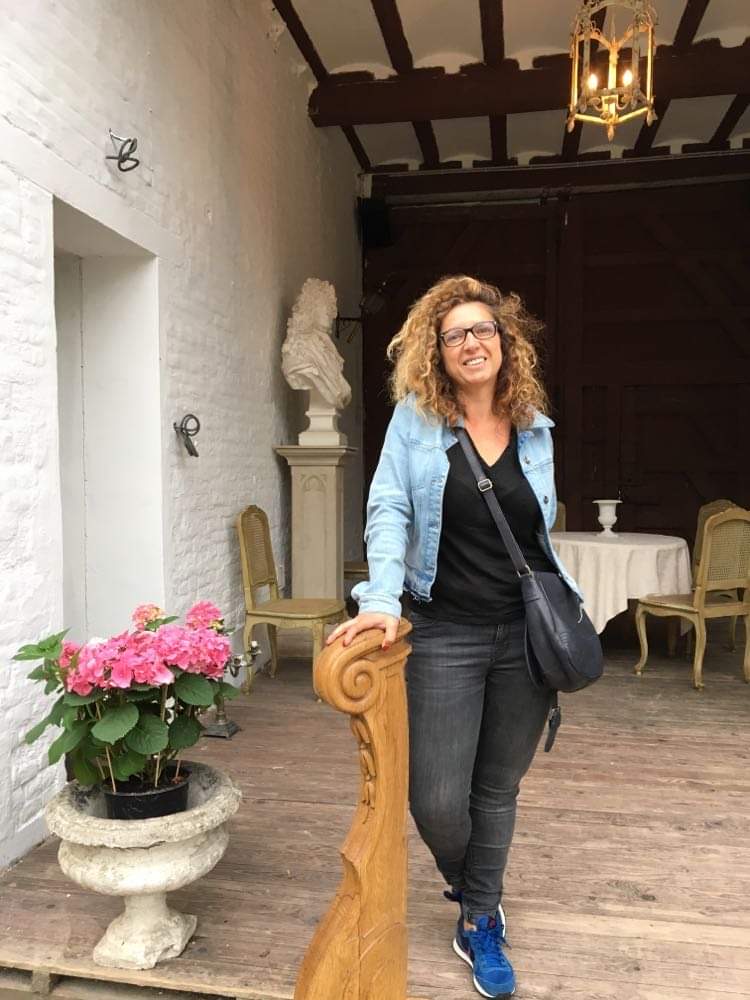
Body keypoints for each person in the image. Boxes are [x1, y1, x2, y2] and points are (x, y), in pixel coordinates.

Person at [326, 275, 581, 999]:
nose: (472, 342)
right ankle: (476, 888)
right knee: (437, 798)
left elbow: (537, 531)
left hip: (524, 637)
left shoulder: (533, 425)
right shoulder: (417, 422)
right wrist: (380, 598)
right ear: (435, 352)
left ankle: (479, 919)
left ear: (506, 343)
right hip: (444, 632)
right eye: (455, 334)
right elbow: (389, 509)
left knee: (496, 788)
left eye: (484, 330)